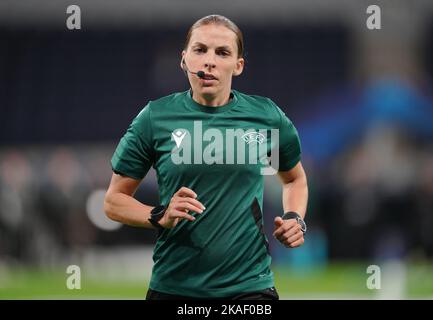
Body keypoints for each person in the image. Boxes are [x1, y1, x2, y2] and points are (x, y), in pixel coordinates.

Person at [104, 14, 308, 300]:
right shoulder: (156, 118)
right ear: (184, 59)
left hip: (249, 288)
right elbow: (114, 201)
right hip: (174, 287)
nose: (209, 61)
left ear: (238, 66)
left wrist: (294, 218)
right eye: (200, 50)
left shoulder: (264, 118)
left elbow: (293, 179)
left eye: (222, 52)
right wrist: (159, 215)